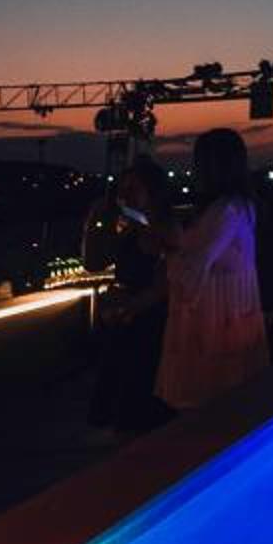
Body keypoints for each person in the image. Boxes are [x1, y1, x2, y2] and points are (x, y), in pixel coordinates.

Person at [143, 129, 272, 414]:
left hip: (216, 315)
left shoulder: (227, 210)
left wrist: (166, 246)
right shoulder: (234, 206)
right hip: (226, 310)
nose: (196, 169)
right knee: (226, 402)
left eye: (201, 162)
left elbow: (195, 265)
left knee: (213, 401)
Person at [86, 156, 174, 434]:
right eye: (122, 189)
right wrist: (94, 221)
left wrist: (128, 306)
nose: (124, 196)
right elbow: (93, 262)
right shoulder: (129, 231)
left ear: (153, 193)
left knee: (139, 407)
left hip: (150, 326)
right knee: (123, 410)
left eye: (133, 189)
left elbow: (164, 284)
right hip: (126, 323)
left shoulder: (165, 229)